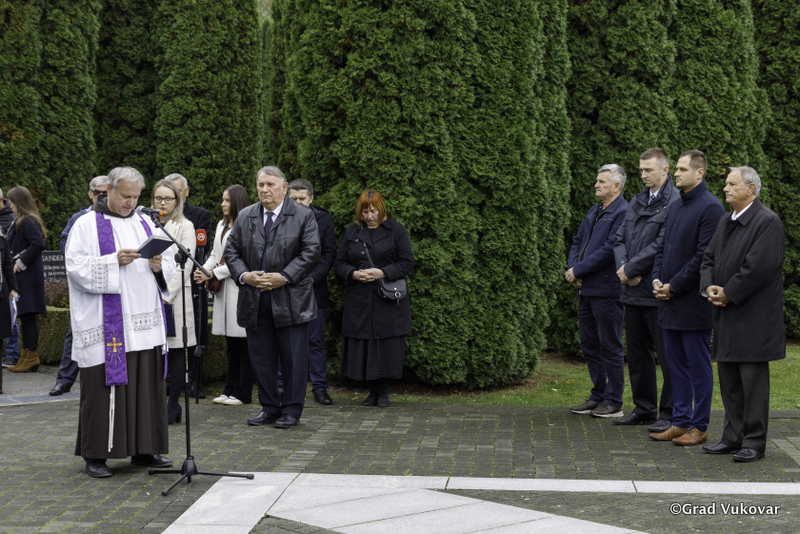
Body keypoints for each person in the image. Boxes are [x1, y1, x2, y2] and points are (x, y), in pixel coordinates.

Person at [65, 166, 175, 478]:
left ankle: (145, 448)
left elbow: (167, 264)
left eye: (136, 197)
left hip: (144, 323)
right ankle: (96, 455)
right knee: (102, 390)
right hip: (107, 324)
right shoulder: (86, 224)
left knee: (145, 386)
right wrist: (113, 261)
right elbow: (74, 267)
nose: (131, 202)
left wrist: (158, 265)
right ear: (110, 190)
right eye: (126, 195)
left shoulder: (144, 222)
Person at [700, 167, 785, 462]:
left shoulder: (767, 222)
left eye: (732, 184)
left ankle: (754, 441)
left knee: (753, 384)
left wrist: (729, 292)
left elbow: (758, 268)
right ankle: (732, 437)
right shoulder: (727, 220)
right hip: (727, 316)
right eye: (726, 184)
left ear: (750, 189)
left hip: (753, 319)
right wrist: (709, 287)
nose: (725, 188)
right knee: (730, 382)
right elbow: (708, 258)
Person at [225, 166, 320, 429]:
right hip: (255, 299)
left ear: (284, 187)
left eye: (270, 184)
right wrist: (245, 276)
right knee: (261, 358)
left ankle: (291, 410)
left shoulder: (303, 215)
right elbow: (231, 250)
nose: (264, 189)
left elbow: (311, 252)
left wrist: (285, 276)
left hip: (291, 299)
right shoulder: (245, 215)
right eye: (260, 185)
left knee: (293, 359)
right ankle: (269, 407)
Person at [649, 150, 725, 446]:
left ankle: (699, 425)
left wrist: (674, 286)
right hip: (668, 302)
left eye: (682, 169)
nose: (676, 173)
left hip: (692, 305)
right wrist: (657, 280)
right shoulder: (676, 204)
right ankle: (680, 422)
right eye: (677, 169)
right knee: (675, 366)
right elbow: (662, 247)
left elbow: (703, 257)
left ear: (699, 173)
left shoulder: (711, 207)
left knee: (698, 367)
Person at [612, 149, 680, 432]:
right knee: (638, 356)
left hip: (655, 293)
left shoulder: (675, 202)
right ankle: (644, 409)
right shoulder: (638, 200)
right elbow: (619, 238)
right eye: (641, 170)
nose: (643, 175)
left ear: (665, 170)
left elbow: (662, 243)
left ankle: (669, 414)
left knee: (668, 357)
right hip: (631, 292)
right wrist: (623, 268)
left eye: (648, 170)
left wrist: (631, 268)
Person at [333, 190, 414, 407]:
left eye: (374, 211)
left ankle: (383, 393)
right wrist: (354, 274)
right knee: (366, 345)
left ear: (382, 209)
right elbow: (339, 263)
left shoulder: (396, 230)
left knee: (385, 345)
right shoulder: (353, 231)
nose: (370, 216)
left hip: (387, 299)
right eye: (365, 212)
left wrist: (382, 272)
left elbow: (407, 262)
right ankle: (372, 392)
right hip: (359, 298)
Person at [567, 165, 628, 418]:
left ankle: (614, 402)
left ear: (617, 186)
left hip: (607, 291)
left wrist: (579, 269)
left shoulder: (623, 213)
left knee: (609, 346)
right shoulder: (594, 211)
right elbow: (577, 242)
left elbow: (609, 250)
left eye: (602, 181)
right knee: (590, 345)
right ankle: (598, 395)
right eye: (597, 180)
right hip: (587, 290)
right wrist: (573, 269)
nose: (596, 184)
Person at [194, 185, 255, 406]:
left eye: (227, 200)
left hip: (239, 291)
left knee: (243, 345)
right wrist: (203, 269)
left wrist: (213, 273)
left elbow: (241, 260)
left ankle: (243, 392)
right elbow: (215, 254)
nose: (222, 204)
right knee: (231, 345)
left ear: (237, 202)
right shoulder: (221, 225)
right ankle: (229, 389)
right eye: (222, 200)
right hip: (224, 292)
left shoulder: (247, 225)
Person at [49, 175, 110, 396]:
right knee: (76, 331)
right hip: (86, 282)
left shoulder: (117, 218)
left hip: (110, 282)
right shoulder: (79, 218)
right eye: (98, 193)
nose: (102, 197)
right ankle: (65, 379)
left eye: (106, 193)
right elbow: (65, 245)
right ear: (90, 194)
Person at [288, 179, 337, 405]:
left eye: (302, 198)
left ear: (311, 199)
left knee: (315, 340)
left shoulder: (323, 219)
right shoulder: (280, 218)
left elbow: (329, 253)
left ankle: (319, 388)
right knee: (286, 341)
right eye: (294, 198)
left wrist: (313, 277)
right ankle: (284, 386)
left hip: (314, 288)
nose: (298, 202)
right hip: (286, 287)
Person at [152, 178, 196, 424]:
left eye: (168, 198)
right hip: (148, 298)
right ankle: (155, 402)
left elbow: (185, 267)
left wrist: (165, 295)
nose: (163, 203)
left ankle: (173, 404)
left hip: (173, 298)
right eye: (158, 198)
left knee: (177, 350)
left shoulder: (185, 226)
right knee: (154, 352)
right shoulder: (145, 223)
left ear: (177, 201)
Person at [167, 173, 212, 398]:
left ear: (186, 192)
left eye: (178, 190)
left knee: (195, 333)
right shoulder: (159, 218)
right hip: (167, 281)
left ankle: (196, 381)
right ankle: (169, 381)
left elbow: (203, 248)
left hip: (193, 282)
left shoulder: (199, 215)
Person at [6, 186, 47, 373]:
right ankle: (26, 355)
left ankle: (31, 356)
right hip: (27, 275)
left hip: (28, 276)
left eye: (11, 202)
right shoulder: (23, 219)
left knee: (28, 315)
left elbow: (38, 244)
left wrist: (20, 262)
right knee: (25, 315)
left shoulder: (27, 220)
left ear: (18, 202)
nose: (10, 205)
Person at [0, 188, 19, 369]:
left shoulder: (10, 218)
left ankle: (12, 353)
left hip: (3, 282)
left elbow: (6, 260)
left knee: (9, 318)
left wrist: (13, 287)